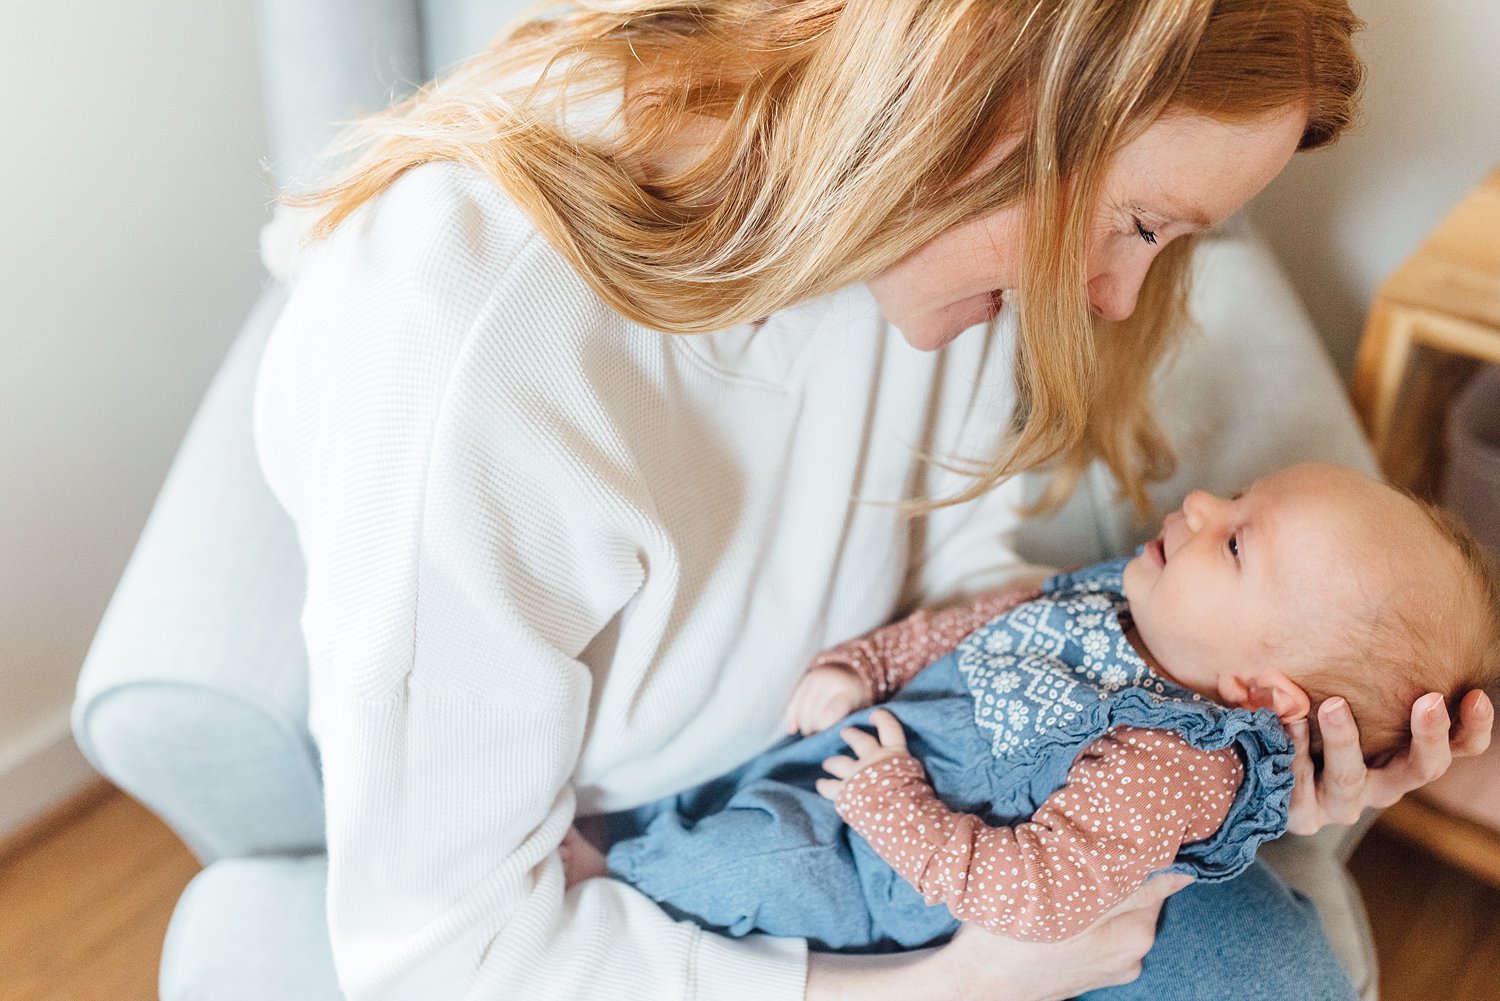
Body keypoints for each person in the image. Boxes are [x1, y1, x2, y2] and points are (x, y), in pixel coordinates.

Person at [252, 2, 1494, 999]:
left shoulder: (928, 249)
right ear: (990, 93)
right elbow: (439, 960)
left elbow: (960, 585)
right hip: (681, 876)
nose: (1116, 297)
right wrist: (948, 982)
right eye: (1140, 221)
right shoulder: (475, 349)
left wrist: (1234, 779)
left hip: (934, 786)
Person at [576, 463, 1500, 955]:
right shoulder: (1126, 603)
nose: (1202, 500)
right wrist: (869, 662)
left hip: (877, 863)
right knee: (737, 778)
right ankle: (637, 826)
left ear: (1258, 695)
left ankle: (616, 878)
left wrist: (896, 801)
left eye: (1234, 540)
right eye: (1240, 493)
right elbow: (978, 628)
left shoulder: (1167, 765)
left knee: (751, 863)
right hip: (858, 760)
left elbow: (1039, 894)